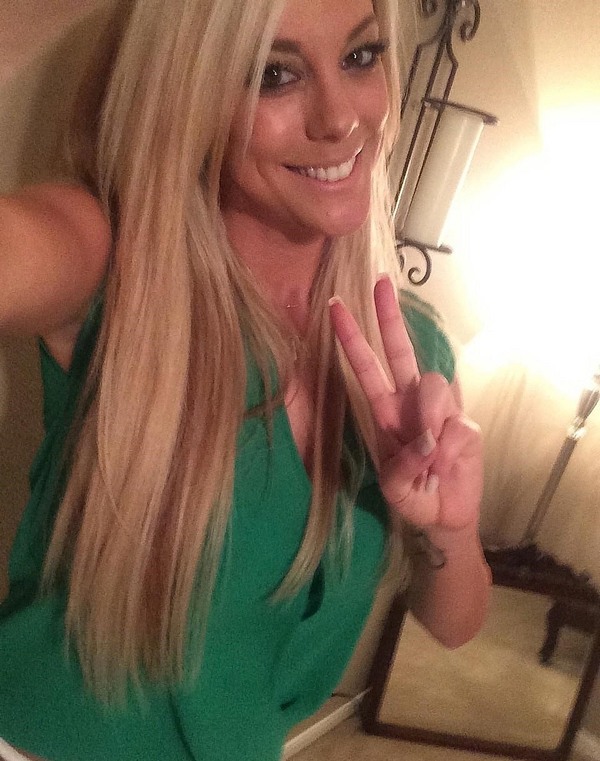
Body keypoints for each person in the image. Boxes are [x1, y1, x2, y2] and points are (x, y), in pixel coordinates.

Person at [0, 0, 491, 758]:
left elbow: (456, 624)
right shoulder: (118, 263)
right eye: (273, 75)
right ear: (187, 91)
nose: (340, 118)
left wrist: (447, 526)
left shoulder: (409, 348)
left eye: (360, 57)